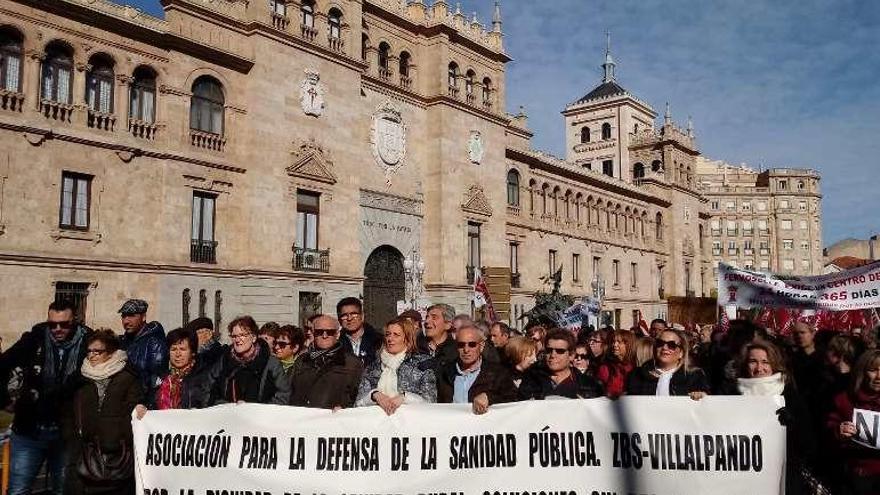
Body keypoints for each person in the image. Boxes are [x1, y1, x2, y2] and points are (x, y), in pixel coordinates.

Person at [0, 300, 91, 495]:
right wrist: (4, 401)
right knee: (18, 490)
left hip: (68, 432)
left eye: (64, 324)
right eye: (52, 324)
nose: (57, 329)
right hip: (30, 430)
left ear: (74, 320)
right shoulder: (35, 338)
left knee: (64, 490)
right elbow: (3, 365)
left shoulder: (88, 342)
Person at [62, 330, 142, 494]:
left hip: (117, 455)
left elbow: (132, 409)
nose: (92, 355)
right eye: (89, 351)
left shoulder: (127, 377)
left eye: (97, 351)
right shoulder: (79, 378)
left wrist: (120, 436)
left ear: (111, 352)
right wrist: (71, 435)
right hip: (82, 452)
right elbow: (67, 410)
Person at [736, 340, 815, 495]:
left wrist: (792, 426)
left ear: (775, 364)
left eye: (765, 362)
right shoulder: (732, 393)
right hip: (746, 478)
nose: (759, 368)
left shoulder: (790, 396)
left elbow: (809, 445)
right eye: (753, 361)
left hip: (784, 479)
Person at [356, 317, 436, 414]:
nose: (390, 339)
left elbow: (430, 402)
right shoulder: (373, 367)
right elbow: (358, 404)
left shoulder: (422, 365)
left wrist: (405, 397)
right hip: (377, 425)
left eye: (396, 335)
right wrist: (374, 395)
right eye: (388, 334)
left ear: (407, 339)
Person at [828, 350, 880, 495]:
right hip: (857, 477)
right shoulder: (844, 400)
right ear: (862, 372)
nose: (879, 377)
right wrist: (839, 431)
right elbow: (827, 432)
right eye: (873, 370)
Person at [208, 316, 290, 405]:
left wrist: (254, 409)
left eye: (242, 335)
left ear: (254, 337)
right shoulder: (224, 360)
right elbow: (208, 390)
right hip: (229, 416)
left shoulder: (271, 363)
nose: (238, 340)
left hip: (260, 417)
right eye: (234, 336)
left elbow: (283, 396)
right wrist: (227, 406)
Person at [437, 325, 517, 414]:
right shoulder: (445, 373)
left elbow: (514, 400)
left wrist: (489, 397)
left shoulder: (498, 373)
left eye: (472, 344)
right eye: (461, 345)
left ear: (481, 346)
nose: (466, 350)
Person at [289, 315, 363, 409]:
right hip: (301, 420)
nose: (325, 336)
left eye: (330, 332)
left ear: (337, 334)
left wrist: (345, 408)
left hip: (333, 421)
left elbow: (360, 398)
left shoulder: (352, 364)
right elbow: (289, 392)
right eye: (319, 332)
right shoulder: (302, 360)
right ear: (313, 333)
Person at [136, 328, 213, 414]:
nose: (178, 354)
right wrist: (142, 405)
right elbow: (147, 401)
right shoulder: (158, 378)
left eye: (182, 349)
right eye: (173, 349)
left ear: (192, 352)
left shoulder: (204, 377)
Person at [519, 329, 605, 400]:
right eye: (549, 350)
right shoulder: (531, 381)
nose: (553, 355)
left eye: (560, 351)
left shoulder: (589, 385)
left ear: (571, 355)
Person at [626, 329, 709, 399]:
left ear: (681, 353)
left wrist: (701, 396)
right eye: (660, 343)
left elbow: (704, 406)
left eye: (671, 345)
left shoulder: (694, 376)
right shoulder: (638, 374)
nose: (665, 348)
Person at [117, 298, 167, 408]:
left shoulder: (154, 342)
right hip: (126, 402)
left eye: (131, 316)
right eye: (124, 316)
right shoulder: (124, 341)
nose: (126, 321)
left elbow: (156, 380)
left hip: (143, 405)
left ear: (143, 317)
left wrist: (145, 404)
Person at [337, 297, 382, 367]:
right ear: (339, 320)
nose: (349, 318)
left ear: (362, 316)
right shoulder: (336, 344)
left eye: (354, 314)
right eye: (344, 315)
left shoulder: (379, 341)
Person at [596, 329, 637, 398]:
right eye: (613, 341)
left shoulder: (636, 365)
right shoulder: (606, 367)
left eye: (619, 342)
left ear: (628, 344)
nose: (614, 345)